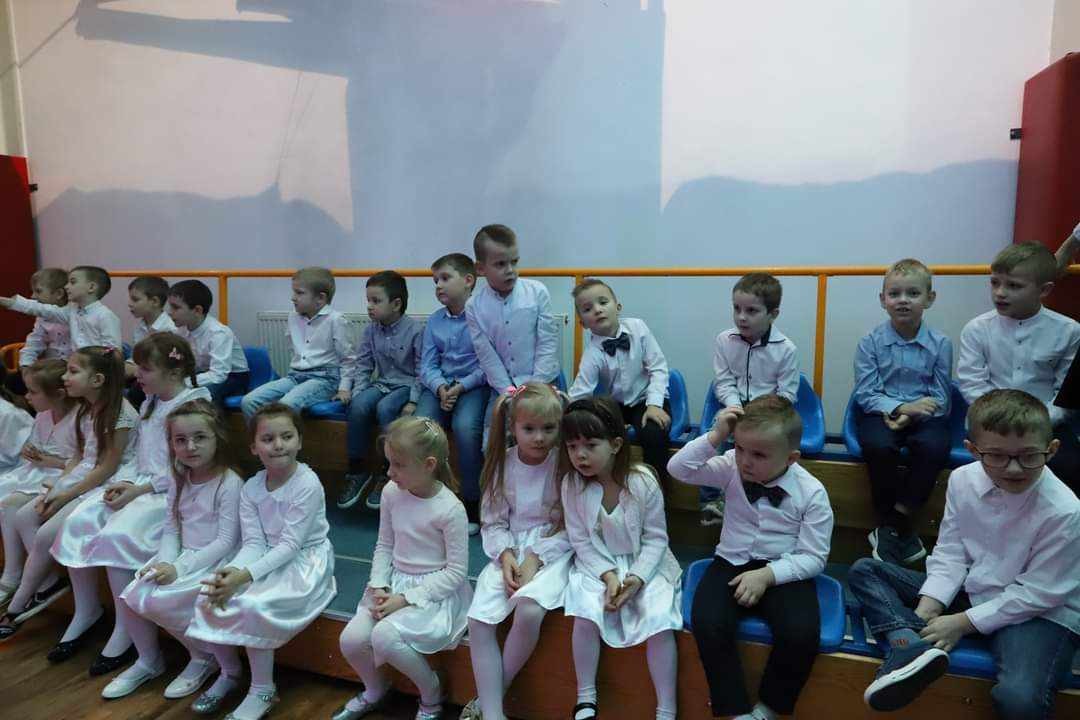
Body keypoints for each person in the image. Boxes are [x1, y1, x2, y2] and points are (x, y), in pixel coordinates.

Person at [848, 389, 1078, 717]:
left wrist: (960, 623)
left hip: (1038, 614)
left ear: (1052, 450)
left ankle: (907, 640)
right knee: (866, 570)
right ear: (972, 450)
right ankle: (908, 646)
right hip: (977, 589)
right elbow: (951, 551)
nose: (1014, 469)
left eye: (1029, 456)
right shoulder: (961, 480)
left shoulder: (1066, 510)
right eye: (997, 456)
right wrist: (931, 602)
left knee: (1019, 697)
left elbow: (1040, 594)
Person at [49, 333, 210, 676]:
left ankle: (127, 630)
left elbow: (185, 466)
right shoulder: (152, 400)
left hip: (173, 491)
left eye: (145, 369)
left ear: (173, 372)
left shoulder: (193, 405)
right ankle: (87, 611)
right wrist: (126, 484)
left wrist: (139, 489)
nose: (137, 375)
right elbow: (142, 456)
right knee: (80, 520)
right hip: (141, 483)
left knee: (117, 536)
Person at [668, 395, 833, 720]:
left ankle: (769, 708)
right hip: (731, 561)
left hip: (783, 568)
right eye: (740, 448)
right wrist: (716, 435)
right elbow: (679, 469)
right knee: (708, 621)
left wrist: (767, 575)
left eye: (758, 454)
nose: (745, 461)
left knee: (801, 633)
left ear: (791, 458)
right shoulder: (730, 465)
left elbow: (814, 557)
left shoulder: (812, 492)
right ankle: (735, 710)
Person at [187, 404, 336, 720]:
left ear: (299, 441)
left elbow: (290, 546)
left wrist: (243, 578)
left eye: (287, 437)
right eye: (268, 439)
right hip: (266, 556)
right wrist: (231, 572)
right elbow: (254, 542)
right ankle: (229, 672)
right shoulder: (252, 487)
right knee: (208, 595)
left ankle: (262, 690)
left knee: (254, 605)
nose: (278, 445)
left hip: (304, 561)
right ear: (254, 447)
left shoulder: (307, 483)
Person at [106, 399, 244, 701]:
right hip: (182, 556)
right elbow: (172, 528)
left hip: (215, 560)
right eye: (180, 440)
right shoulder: (178, 476)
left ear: (218, 437)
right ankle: (149, 660)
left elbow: (225, 541)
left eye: (200, 437)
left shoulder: (229, 483)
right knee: (132, 595)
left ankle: (205, 658)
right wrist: (165, 561)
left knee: (169, 600)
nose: (190, 446)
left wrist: (178, 569)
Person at [334, 416, 471, 720]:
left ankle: (432, 693)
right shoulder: (391, 493)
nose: (389, 472)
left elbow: (455, 572)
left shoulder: (450, 509)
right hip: (394, 585)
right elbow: (384, 545)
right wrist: (380, 585)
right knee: (351, 640)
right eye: (388, 463)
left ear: (429, 465)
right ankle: (376, 689)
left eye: (397, 465)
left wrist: (405, 599)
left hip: (432, 594)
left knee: (384, 636)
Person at [0, 348, 135, 648]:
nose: (65, 376)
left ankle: (18, 605)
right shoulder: (88, 408)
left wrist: (65, 496)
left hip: (108, 482)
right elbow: (80, 457)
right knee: (24, 515)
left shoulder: (119, 413)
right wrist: (56, 488)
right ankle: (48, 587)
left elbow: (106, 467)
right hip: (85, 476)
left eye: (73, 371)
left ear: (97, 380)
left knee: (49, 532)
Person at [561, 397, 682, 720]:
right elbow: (580, 540)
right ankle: (585, 697)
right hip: (598, 564)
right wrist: (608, 575)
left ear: (615, 445)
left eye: (590, 445)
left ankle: (666, 709)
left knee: (659, 617)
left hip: (646, 563)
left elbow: (656, 539)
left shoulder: (643, 481)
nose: (580, 455)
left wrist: (636, 578)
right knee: (585, 610)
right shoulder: (571, 484)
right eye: (572, 446)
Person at [461, 383, 573, 720]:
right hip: (510, 549)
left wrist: (535, 558)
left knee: (529, 609)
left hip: (553, 549)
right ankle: (494, 714)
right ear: (513, 427)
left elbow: (572, 524)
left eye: (548, 429)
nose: (539, 438)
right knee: (479, 620)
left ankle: (489, 700)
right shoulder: (502, 465)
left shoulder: (565, 464)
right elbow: (493, 522)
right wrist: (507, 556)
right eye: (529, 429)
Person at [958, 242, 1080, 492]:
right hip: (988, 424)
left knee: (1071, 468)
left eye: (1013, 286)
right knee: (982, 476)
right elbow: (972, 384)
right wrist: (999, 419)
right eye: (995, 283)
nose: (1000, 293)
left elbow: (1065, 395)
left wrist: (1036, 423)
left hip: (1048, 426)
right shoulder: (976, 329)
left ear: (1044, 290)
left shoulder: (1069, 331)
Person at [853, 259, 952, 564]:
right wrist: (900, 408)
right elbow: (866, 394)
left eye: (913, 293)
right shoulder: (869, 342)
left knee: (934, 447)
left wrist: (912, 414)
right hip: (880, 412)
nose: (903, 300)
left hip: (926, 415)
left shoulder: (941, 344)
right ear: (883, 300)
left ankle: (893, 522)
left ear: (929, 299)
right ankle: (898, 528)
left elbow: (942, 397)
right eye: (894, 294)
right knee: (878, 446)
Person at [703, 273, 799, 527]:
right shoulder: (724, 340)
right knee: (715, 437)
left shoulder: (786, 349)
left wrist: (759, 413)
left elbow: (787, 394)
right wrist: (734, 407)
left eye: (751, 311)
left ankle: (754, 501)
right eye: (737, 308)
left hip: (770, 412)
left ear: (773, 314)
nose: (741, 317)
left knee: (760, 444)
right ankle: (711, 501)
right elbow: (723, 382)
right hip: (733, 405)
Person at [568, 278, 672, 484]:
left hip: (647, 399)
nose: (597, 310)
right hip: (616, 405)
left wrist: (654, 405)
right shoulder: (592, 354)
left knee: (653, 433)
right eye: (588, 309)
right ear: (582, 323)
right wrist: (560, 410)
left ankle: (658, 490)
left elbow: (658, 368)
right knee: (596, 435)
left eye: (603, 302)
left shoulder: (638, 328)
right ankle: (611, 486)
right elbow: (581, 392)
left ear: (618, 307)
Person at [337, 270, 422, 511]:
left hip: (405, 384)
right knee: (358, 406)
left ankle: (388, 471)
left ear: (396, 304)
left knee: (385, 409)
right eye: (368, 301)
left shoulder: (416, 330)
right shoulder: (370, 330)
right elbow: (363, 365)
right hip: (383, 383)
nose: (369, 306)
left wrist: (414, 400)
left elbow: (421, 370)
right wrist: (358, 393)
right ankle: (357, 470)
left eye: (376, 301)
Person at [417, 253, 489, 535]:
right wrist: (440, 387)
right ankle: (425, 499)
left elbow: (488, 365)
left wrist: (461, 387)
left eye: (445, 278)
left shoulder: (483, 317)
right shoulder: (435, 321)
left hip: (473, 385)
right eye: (435, 280)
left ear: (469, 281)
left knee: (465, 427)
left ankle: (471, 502)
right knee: (420, 428)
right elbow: (427, 365)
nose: (438, 285)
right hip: (441, 386)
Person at [0, 360, 75, 609]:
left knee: (16, 507)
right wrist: (32, 451)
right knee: (8, 503)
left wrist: (48, 460)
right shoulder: (43, 416)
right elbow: (35, 446)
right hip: (36, 472)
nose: (26, 397)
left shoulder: (78, 419)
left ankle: (27, 576)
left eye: (33, 392)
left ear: (59, 394)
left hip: (60, 475)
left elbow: (85, 461)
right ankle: (16, 573)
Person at [240, 267, 355, 418]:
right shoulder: (293, 317)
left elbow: (348, 359)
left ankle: (287, 434)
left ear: (320, 298)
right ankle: (263, 434)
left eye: (299, 293)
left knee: (286, 405)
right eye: (294, 292)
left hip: (325, 379)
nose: (293, 298)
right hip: (295, 376)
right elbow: (293, 349)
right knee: (249, 401)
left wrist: (344, 388)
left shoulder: (336, 320)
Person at [465, 224, 559, 401]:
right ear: (480, 268)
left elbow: (547, 343)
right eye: (500, 264)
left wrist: (535, 389)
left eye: (514, 262)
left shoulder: (538, 291)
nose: (510, 270)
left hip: (544, 381)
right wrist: (508, 392)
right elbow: (487, 356)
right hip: (503, 387)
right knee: (493, 420)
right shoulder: (473, 307)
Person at [166, 280, 250, 408]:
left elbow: (218, 375)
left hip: (232, 377)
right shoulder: (180, 330)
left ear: (197, 310)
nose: (169, 312)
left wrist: (184, 382)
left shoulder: (218, 333)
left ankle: (213, 421)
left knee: (203, 396)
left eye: (175, 307)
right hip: (203, 373)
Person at [1, 265, 122, 350]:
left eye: (72, 282)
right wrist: (8, 302)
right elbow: (44, 310)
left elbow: (112, 350)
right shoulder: (71, 311)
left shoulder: (105, 316)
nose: (66, 287)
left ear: (91, 287)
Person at [125, 275, 177, 408]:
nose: (129, 304)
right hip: (143, 368)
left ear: (154, 301)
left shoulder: (169, 328)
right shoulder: (140, 326)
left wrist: (136, 369)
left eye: (135, 299)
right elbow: (137, 354)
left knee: (136, 391)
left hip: (159, 372)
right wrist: (128, 364)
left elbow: (166, 364)